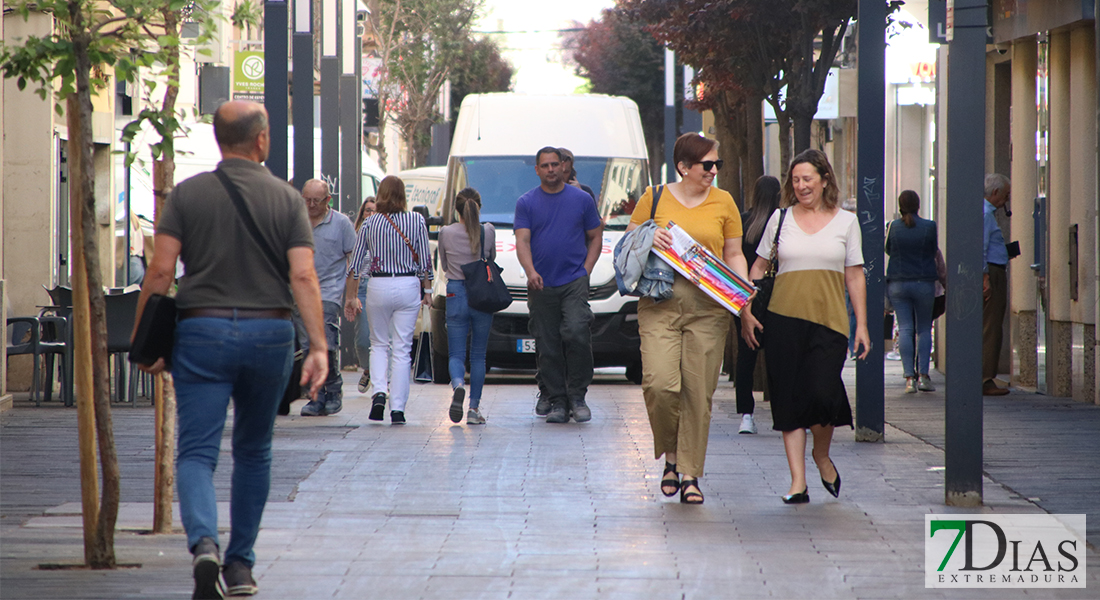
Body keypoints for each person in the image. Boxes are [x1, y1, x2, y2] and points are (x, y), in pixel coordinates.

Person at [132, 100, 327, 599]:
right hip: (270, 334)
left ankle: (203, 545)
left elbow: (159, 271)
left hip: (203, 333)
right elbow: (303, 274)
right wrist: (319, 346)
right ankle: (240, 566)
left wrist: (143, 338)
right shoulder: (287, 200)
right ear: (261, 140)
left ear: (219, 139)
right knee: (254, 449)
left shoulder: (187, 196)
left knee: (196, 450)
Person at [741, 149, 869, 505]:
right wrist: (747, 310)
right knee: (788, 399)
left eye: (808, 179)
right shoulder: (780, 220)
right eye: (795, 180)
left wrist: (863, 326)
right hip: (782, 319)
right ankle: (798, 481)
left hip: (829, 322)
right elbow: (758, 267)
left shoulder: (846, 222)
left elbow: (855, 274)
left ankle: (821, 455)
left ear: (824, 180)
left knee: (823, 393)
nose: (801, 186)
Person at [628, 133, 750, 505]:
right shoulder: (656, 197)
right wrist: (653, 236)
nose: (714, 171)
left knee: (699, 394)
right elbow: (631, 237)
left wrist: (743, 299)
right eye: (707, 165)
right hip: (660, 303)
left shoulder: (724, 202)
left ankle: (689, 474)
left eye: (718, 165)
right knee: (660, 385)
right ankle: (670, 456)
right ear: (684, 167)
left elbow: (734, 252)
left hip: (710, 310)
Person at [515, 147, 602, 424]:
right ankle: (558, 400)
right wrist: (530, 271)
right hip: (541, 284)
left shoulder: (581, 199)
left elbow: (596, 236)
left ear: (563, 166)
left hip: (573, 281)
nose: (551, 169)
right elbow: (523, 241)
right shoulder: (526, 202)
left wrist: (585, 271)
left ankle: (577, 395)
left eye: (555, 164)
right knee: (547, 343)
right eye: (545, 165)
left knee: (577, 331)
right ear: (537, 170)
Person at [344, 176, 433, 424]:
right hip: (408, 285)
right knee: (403, 349)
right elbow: (425, 260)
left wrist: (351, 296)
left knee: (379, 344)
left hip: (379, 285)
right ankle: (398, 409)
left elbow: (356, 264)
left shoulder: (370, 224)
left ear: (381, 194)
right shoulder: (416, 220)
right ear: (403, 195)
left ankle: (379, 392)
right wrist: (427, 291)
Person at [296, 179, 357, 417]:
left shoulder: (341, 223)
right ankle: (316, 396)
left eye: (316, 201)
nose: (310, 205)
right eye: (306, 199)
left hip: (329, 292)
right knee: (307, 347)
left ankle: (333, 390)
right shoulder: (295, 221)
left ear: (328, 200)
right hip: (300, 293)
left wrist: (351, 293)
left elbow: (355, 257)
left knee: (327, 344)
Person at [437, 188, 496, 425]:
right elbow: (491, 259)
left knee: (455, 354)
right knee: (479, 354)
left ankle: (458, 384)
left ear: (456, 209)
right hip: (481, 294)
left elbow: (443, 263)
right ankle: (473, 409)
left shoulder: (445, 232)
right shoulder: (488, 231)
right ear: (478, 207)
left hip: (455, 292)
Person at [734, 175, 781, 435]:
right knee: (778, 356)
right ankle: (781, 413)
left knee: (746, 357)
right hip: (776, 295)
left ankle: (746, 416)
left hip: (745, 296)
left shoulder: (743, 221)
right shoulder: (782, 223)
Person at [885, 190, 939, 394]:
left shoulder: (893, 227)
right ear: (918, 205)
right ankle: (924, 376)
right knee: (924, 329)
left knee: (906, 328)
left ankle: (909, 379)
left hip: (898, 282)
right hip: (924, 282)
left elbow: (889, 250)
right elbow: (933, 250)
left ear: (900, 206)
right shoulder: (929, 226)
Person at [982, 173, 1011, 396]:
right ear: (995, 193)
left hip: (993, 268)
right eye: (1005, 195)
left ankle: (986, 375)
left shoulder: (986, 213)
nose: (1006, 201)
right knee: (991, 326)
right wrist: (985, 278)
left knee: (990, 325)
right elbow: (981, 247)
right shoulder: (985, 214)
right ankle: (984, 378)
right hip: (992, 272)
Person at [351, 197, 377, 394]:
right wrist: (352, 294)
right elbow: (351, 267)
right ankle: (368, 368)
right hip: (361, 287)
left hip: (379, 285)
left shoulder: (382, 234)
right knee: (363, 339)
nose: (370, 214)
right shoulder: (355, 235)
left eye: (374, 211)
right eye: (367, 210)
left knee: (383, 337)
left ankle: (378, 378)